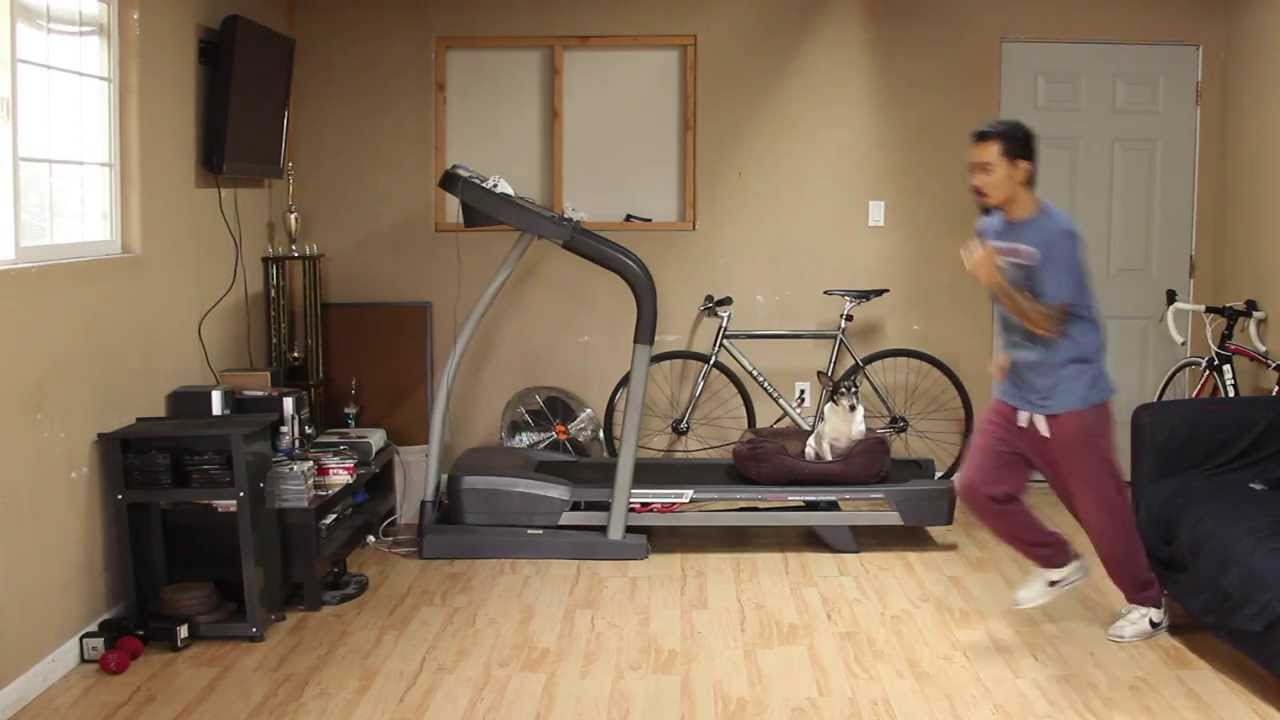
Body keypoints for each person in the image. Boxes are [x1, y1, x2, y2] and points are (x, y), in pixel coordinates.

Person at [957, 119, 1167, 642]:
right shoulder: (991, 230)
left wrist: (994, 280)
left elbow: (1049, 321)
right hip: (1018, 395)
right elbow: (1012, 312)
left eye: (987, 168)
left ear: (1021, 169)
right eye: (972, 169)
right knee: (977, 486)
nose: (976, 180)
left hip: (1072, 399)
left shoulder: (1057, 236)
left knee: (1101, 512)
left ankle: (1148, 602)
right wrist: (1007, 352)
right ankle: (1059, 561)